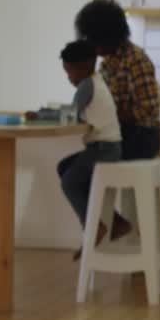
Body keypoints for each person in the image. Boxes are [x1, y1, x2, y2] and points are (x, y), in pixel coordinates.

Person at [52, 41, 126, 258]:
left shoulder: (87, 85)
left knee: (69, 182)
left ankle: (93, 228)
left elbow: (71, 114)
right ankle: (115, 220)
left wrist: (42, 114)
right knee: (64, 167)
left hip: (103, 149)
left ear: (83, 66)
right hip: (109, 147)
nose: (68, 78)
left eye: (69, 71)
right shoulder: (96, 81)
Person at [73, 0, 160, 161]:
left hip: (140, 136)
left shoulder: (136, 60)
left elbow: (148, 109)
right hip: (120, 133)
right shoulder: (107, 65)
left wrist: (112, 115)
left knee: (85, 161)